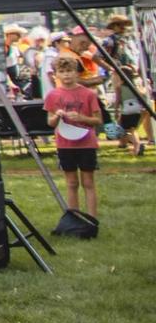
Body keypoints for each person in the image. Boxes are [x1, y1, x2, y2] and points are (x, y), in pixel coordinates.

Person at [43, 54, 102, 221]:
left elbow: (98, 120)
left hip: (86, 143)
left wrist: (82, 118)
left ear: (77, 73)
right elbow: (50, 122)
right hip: (65, 144)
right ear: (56, 75)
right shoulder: (53, 96)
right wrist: (57, 116)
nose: (66, 75)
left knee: (88, 182)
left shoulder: (88, 94)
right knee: (71, 183)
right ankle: (75, 217)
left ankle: (92, 218)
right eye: (62, 71)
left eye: (70, 71)